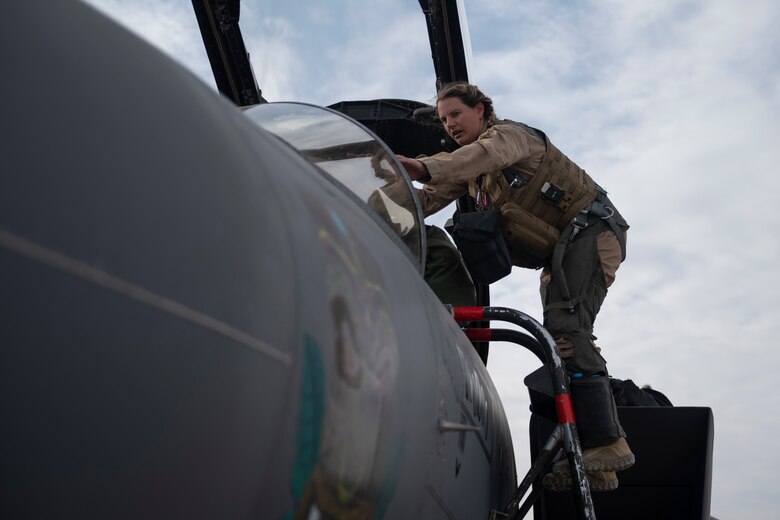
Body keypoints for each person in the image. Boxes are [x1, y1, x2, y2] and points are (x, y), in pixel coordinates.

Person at [397, 81, 633, 492]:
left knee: (566, 326)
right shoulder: (473, 175)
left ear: (481, 110)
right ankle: (598, 460)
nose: (450, 124)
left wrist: (421, 165)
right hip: (563, 250)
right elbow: (426, 200)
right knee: (560, 338)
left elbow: (480, 156)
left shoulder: (510, 138)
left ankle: (608, 441)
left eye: (456, 114)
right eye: (443, 119)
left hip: (593, 231)